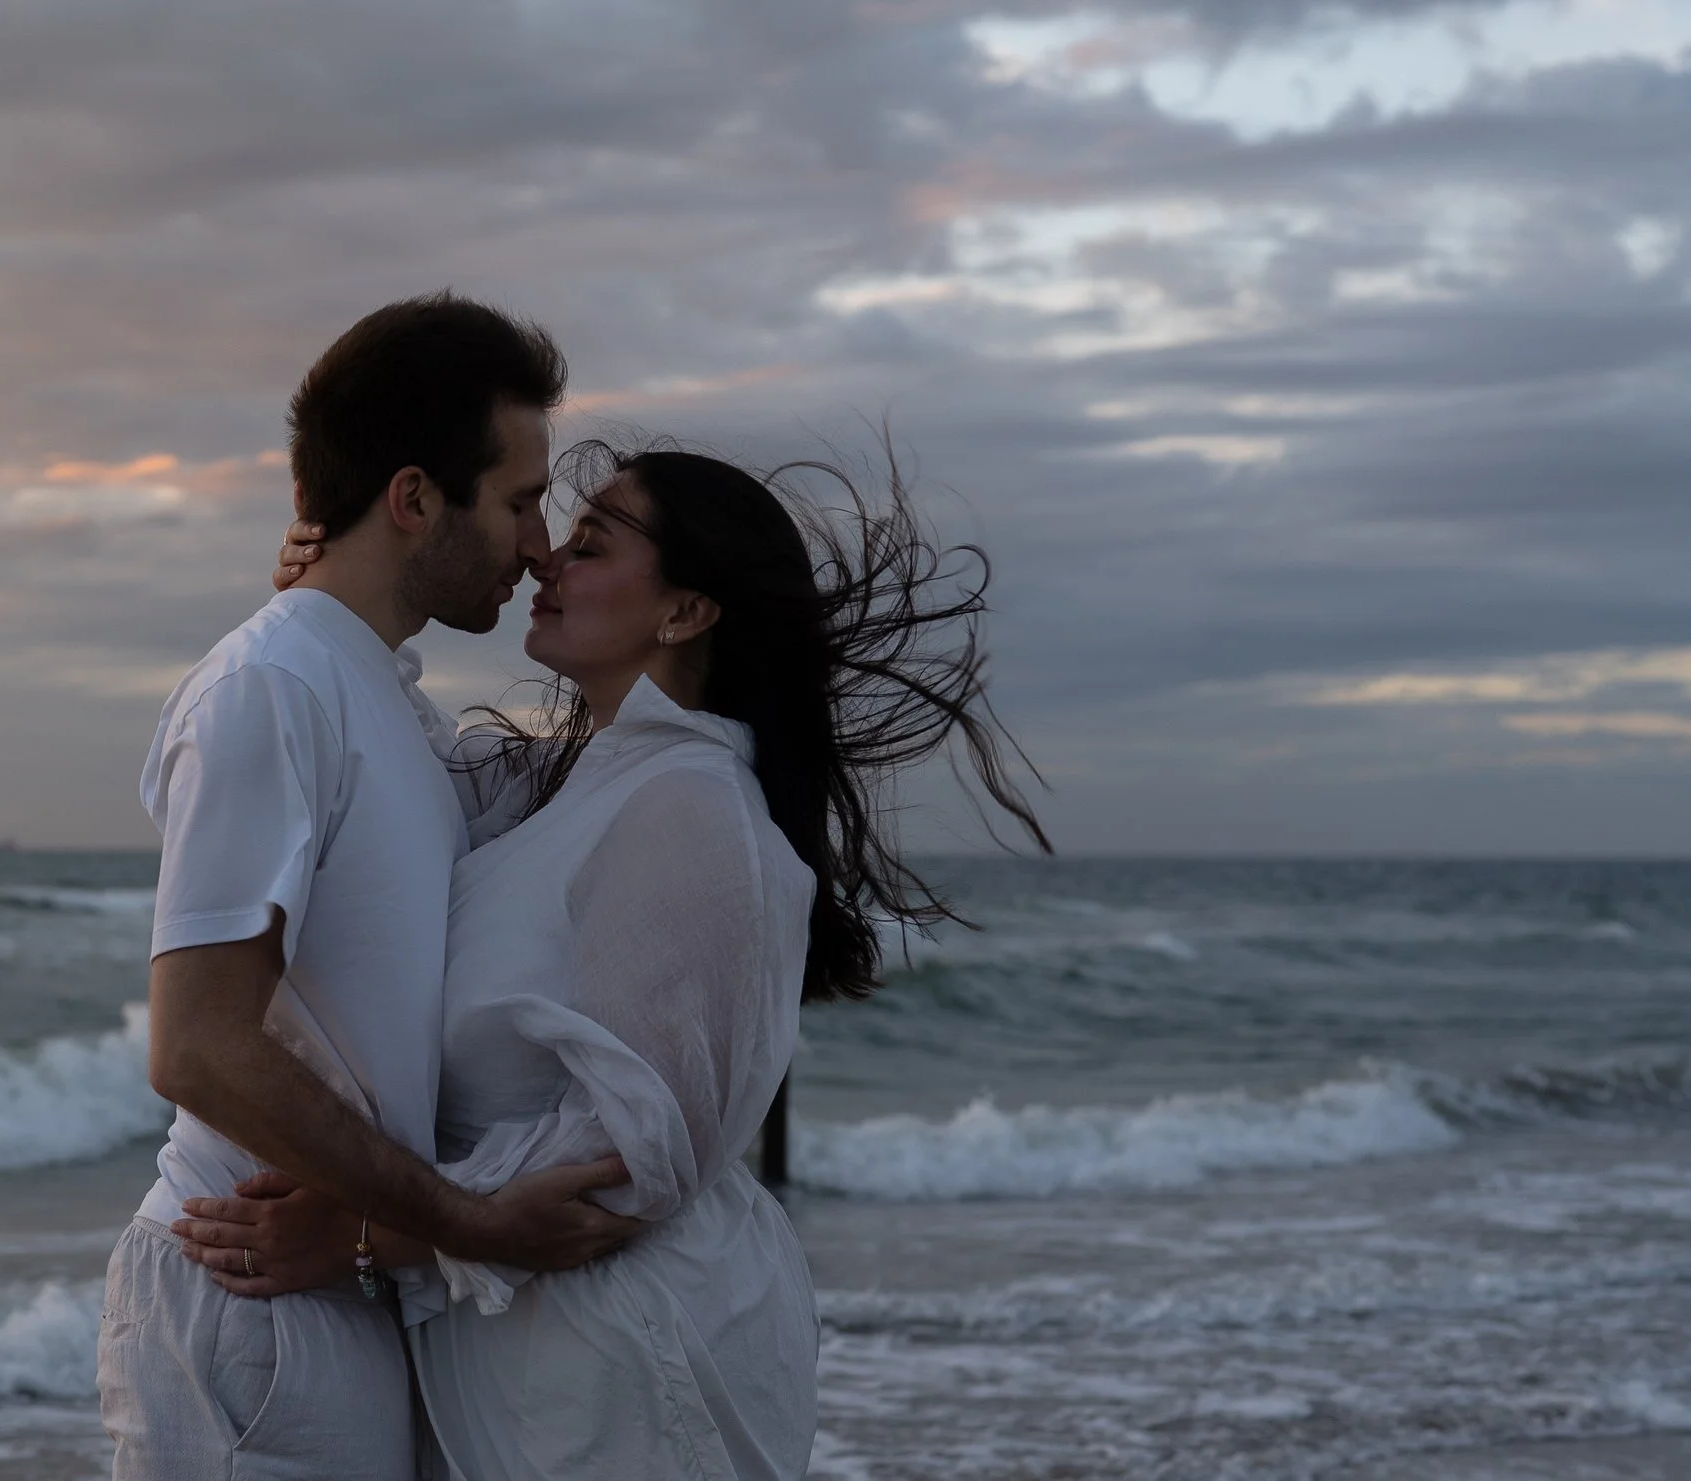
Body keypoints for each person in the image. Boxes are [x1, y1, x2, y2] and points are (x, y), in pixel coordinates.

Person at [177, 439, 1049, 1477]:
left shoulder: (688, 805)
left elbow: (636, 1149)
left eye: (589, 545)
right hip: (536, 1341)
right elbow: (393, 762)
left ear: (684, 611)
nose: (547, 559)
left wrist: (369, 1233)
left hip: (628, 1354)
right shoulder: (569, 782)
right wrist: (341, 606)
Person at [99, 292, 645, 1481]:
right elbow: (195, 1045)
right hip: (245, 1283)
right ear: (412, 499)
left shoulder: (382, 702)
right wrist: (466, 1222)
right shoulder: (272, 687)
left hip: (332, 1278)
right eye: (515, 501)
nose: (540, 542)